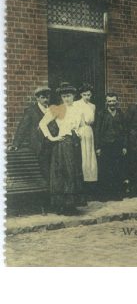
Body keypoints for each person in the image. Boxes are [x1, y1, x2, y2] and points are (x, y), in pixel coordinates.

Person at [38, 82, 85, 215]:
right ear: (61, 97)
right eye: (64, 96)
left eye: (69, 96)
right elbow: (42, 124)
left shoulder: (78, 110)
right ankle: (63, 205)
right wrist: (52, 138)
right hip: (63, 144)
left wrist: (80, 132)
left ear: (74, 96)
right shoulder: (57, 109)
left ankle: (72, 204)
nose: (66, 98)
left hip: (74, 144)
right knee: (64, 173)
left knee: (74, 172)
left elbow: (82, 125)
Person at [9, 86, 53, 181]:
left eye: (47, 97)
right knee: (45, 164)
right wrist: (16, 144)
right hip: (40, 143)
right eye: (42, 97)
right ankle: (49, 188)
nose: (45, 100)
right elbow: (22, 127)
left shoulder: (52, 109)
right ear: (37, 98)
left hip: (52, 142)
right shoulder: (31, 110)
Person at [94, 92, 128, 200]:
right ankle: (104, 195)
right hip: (105, 146)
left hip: (117, 145)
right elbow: (97, 131)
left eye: (113, 101)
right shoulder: (101, 114)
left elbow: (125, 131)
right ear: (106, 102)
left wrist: (124, 146)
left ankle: (116, 194)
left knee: (117, 169)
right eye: (109, 101)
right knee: (105, 170)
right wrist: (98, 147)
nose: (112, 103)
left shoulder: (121, 114)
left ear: (117, 101)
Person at [73, 83, 98, 185]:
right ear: (81, 94)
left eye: (88, 94)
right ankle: (81, 181)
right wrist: (76, 131)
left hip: (89, 132)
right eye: (84, 94)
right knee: (83, 155)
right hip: (81, 130)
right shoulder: (76, 104)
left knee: (90, 156)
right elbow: (74, 119)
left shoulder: (93, 106)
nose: (87, 97)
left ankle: (90, 180)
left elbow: (93, 121)